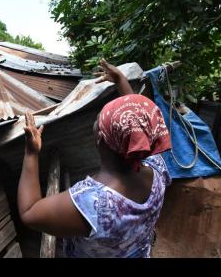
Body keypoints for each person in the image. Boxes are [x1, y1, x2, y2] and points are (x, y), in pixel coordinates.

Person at [17, 59, 172, 258]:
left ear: (100, 138)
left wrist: (31, 153)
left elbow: (29, 212)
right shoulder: (157, 167)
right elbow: (136, 126)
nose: (97, 120)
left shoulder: (93, 204)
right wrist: (120, 80)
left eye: (99, 118)